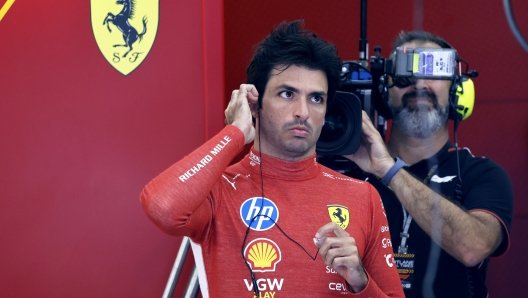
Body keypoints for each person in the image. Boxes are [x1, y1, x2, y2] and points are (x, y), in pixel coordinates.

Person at [140, 20, 403, 297]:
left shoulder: (363, 196)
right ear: (255, 102)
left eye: (316, 99)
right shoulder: (218, 188)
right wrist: (236, 133)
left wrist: (361, 282)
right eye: (287, 94)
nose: (302, 111)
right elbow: (162, 207)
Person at [345, 31, 514, 298]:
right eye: (405, 73)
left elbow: (474, 247)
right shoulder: (346, 171)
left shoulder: (482, 174)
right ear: (382, 91)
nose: (419, 83)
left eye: (433, 69)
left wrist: (389, 170)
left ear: (457, 89)